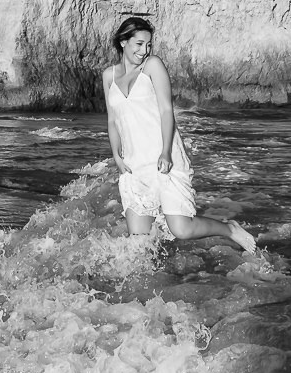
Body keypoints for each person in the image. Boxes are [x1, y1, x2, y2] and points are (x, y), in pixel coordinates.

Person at [103, 16, 257, 252]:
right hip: (134, 163)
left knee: (182, 229)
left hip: (163, 156)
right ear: (123, 42)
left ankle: (229, 229)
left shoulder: (152, 65)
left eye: (148, 45)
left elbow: (167, 110)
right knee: (139, 243)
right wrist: (116, 156)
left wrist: (166, 151)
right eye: (139, 44)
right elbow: (112, 120)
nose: (145, 50)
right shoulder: (109, 76)